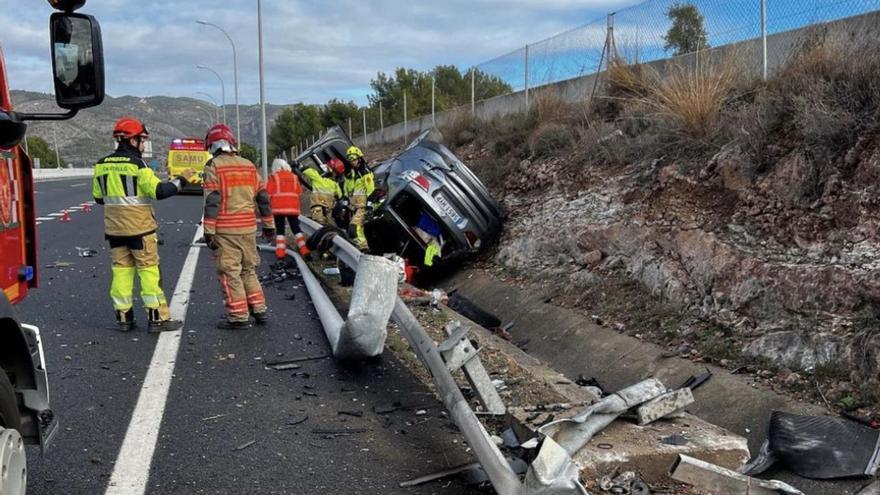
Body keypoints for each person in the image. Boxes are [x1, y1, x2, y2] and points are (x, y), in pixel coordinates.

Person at [92, 117, 194, 332]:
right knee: (149, 273)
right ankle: (156, 319)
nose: (144, 144)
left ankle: (124, 318)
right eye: (142, 140)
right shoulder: (138, 165)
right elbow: (159, 191)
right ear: (132, 140)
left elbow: (99, 198)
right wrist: (182, 180)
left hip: (114, 231)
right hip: (140, 230)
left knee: (121, 273)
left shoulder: (101, 165)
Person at [202, 124, 275, 330]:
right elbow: (263, 198)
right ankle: (259, 309)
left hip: (226, 230)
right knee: (248, 270)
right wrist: (269, 225)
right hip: (249, 229)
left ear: (213, 145)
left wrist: (208, 231)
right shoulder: (249, 165)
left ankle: (238, 315)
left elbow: (212, 200)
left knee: (229, 272)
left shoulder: (214, 166)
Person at [267, 158, 309, 261]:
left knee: (280, 231)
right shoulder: (294, 177)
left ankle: (280, 254)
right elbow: (299, 192)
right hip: (292, 208)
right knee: (296, 229)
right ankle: (305, 251)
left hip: (278, 208)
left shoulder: (274, 177)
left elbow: (268, 192)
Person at [343, 146, 375, 250]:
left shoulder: (365, 172)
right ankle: (364, 249)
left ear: (359, 158)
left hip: (362, 207)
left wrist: (369, 206)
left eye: (354, 159)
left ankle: (364, 249)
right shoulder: (352, 174)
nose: (352, 162)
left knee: (353, 229)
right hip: (354, 208)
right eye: (350, 160)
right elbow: (349, 191)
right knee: (359, 231)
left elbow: (371, 190)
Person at [301, 157, 343, 225]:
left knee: (319, 227)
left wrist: (300, 166)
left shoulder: (319, 179)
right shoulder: (336, 185)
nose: (325, 169)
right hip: (328, 213)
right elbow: (340, 197)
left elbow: (308, 171)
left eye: (327, 168)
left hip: (317, 211)